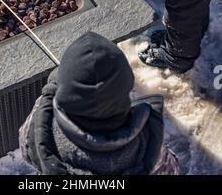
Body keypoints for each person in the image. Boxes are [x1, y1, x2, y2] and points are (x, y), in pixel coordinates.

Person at [19, 32, 179, 175]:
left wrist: (56, 85)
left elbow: (26, 146)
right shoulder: (147, 147)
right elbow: (172, 169)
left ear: (64, 94)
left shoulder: (41, 126)